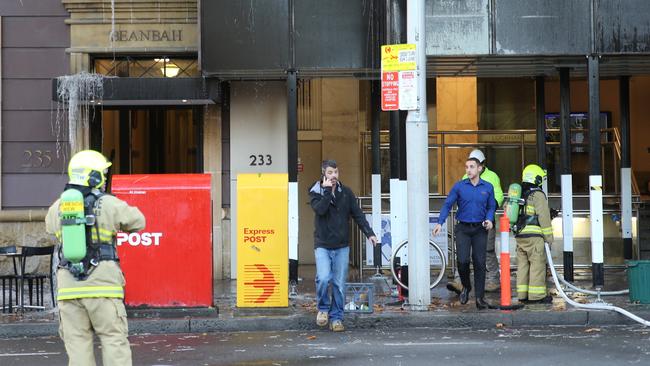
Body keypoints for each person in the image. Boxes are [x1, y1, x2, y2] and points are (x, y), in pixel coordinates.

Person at [46, 150, 145, 366]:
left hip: (69, 287)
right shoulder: (109, 203)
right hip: (103, 286)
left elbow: (50, 227)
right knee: (113, 339)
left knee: (77, 343)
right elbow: (138, 221)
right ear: (94, 177)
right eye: (103, 173)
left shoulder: (57, 207)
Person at [309, 160, 378, 331]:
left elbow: (358, 214)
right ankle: (323, 309)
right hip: (323, 244)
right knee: (324, 278)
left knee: (339, 284)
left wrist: (369, 233)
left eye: (336, 172)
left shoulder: (346, 193)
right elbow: (320, 210)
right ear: (323, 173)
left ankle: (337, 318)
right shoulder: (315, 190)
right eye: (330, 172)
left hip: (341, 246)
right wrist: (326, 192)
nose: (333, 176)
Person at [433, 157, 496, 309]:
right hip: (463, 229)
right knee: (462, 262)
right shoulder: (459, 187)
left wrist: (489, 219)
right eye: (467, 167)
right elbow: (448, 204)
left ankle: (480, 298)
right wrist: (440, 222)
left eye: (472, 167)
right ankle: (466, 286)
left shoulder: (488, 187)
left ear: (479, 169)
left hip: (480, 229)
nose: (468, 170)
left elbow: (491, 206)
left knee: (480, 263)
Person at [447, 149, 504, 294]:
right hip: (466, 221)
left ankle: (493, 280)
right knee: (463, 254)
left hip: (484, 221)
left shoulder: (492, 177)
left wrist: (488, 214)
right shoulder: (466, 175)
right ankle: (460, 282)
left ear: (482, 164)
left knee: (487, 250)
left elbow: (498, 196)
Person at [513, 164, 554, 304]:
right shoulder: (538, 195)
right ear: (537, 179)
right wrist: (549, 237)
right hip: (534, 237)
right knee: (537, 265)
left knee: (523, 266)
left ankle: (522, 295)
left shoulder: (519, 194)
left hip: (520, 237)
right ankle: (536, 297)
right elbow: (543, 217)